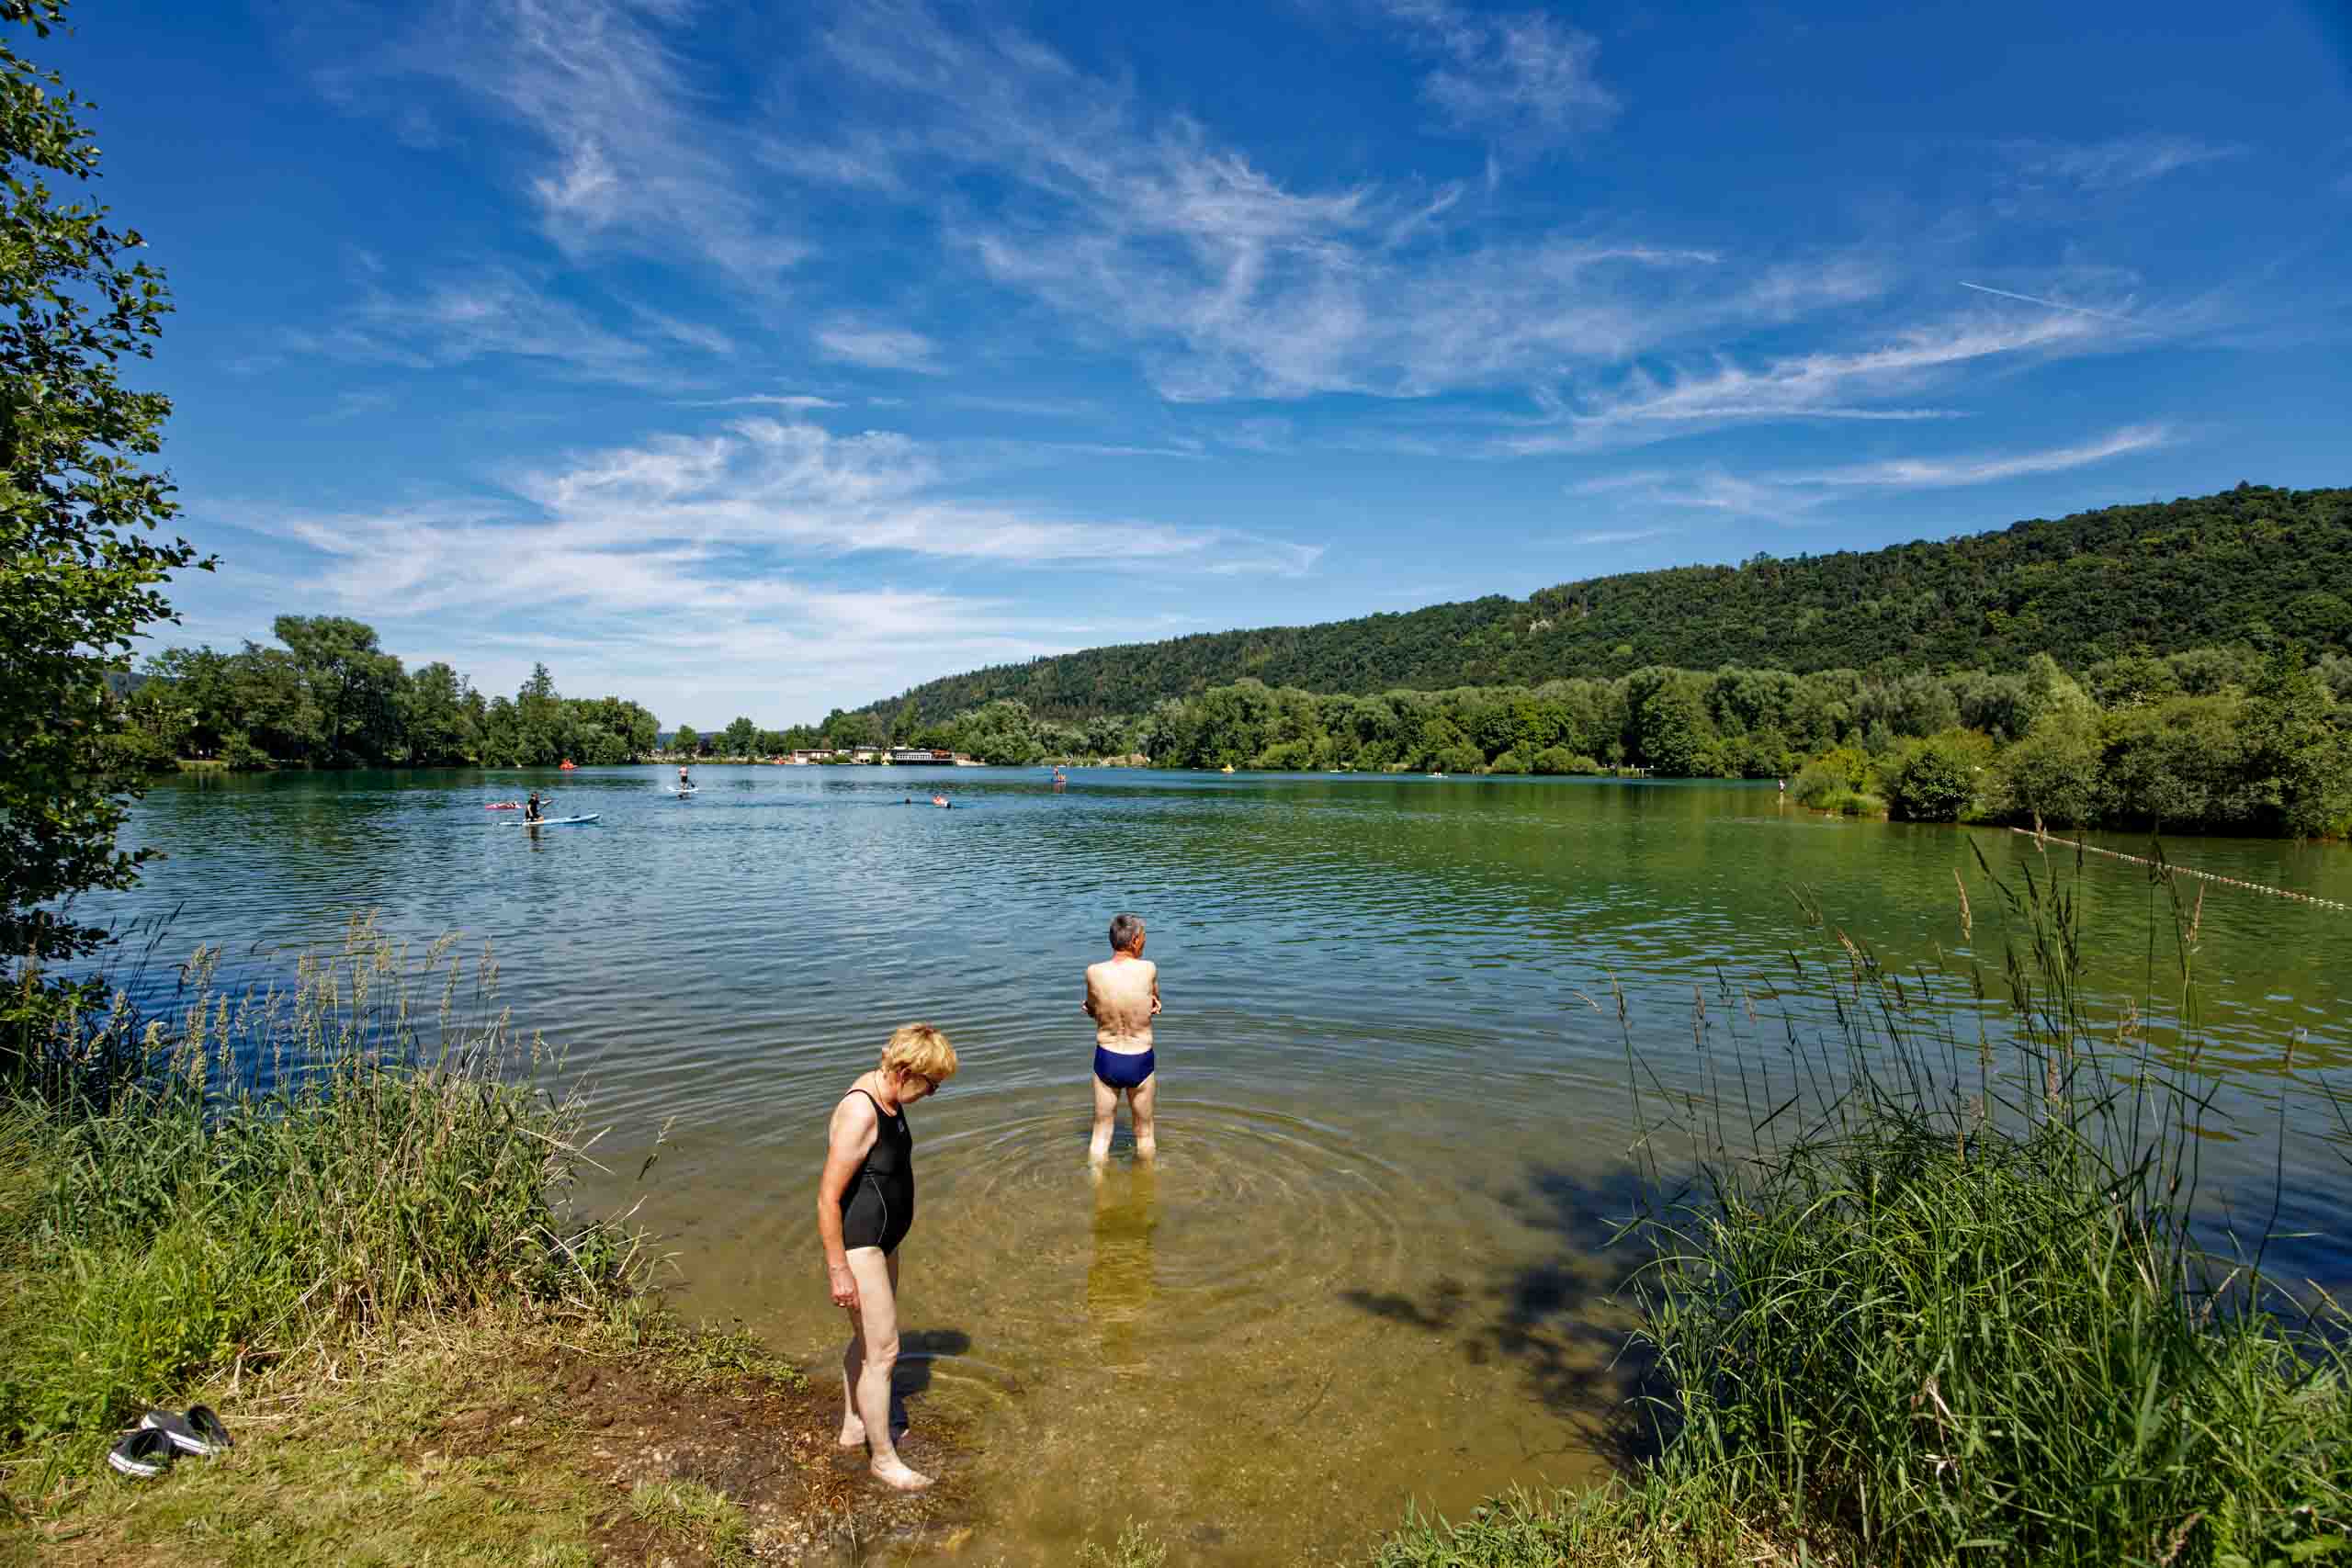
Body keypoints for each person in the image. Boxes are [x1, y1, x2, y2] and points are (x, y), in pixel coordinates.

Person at [817, 1023, 959, 1492]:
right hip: (861, 1245)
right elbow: (827, 1199)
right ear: (902, 1072)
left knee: (866, 1341)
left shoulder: (889, 1097)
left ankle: (855, 1424)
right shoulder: (861, 1112)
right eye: (930, 1084)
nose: (933, 1093)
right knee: (884, 1351)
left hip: (883, 1240)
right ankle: (883, 1459)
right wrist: (839, 1269)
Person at [1083, 912, 1160, 1162]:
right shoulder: (1148, 969)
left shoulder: (1093, 972)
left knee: (1101, 1133)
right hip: (1140, 1058)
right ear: (1136, 940)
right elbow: (1154, 1003)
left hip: (1107, 1058)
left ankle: (1096, 1183)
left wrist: (1093, 1010)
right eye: (1144, 938)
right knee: (1145, 1133)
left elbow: (1093, 1009)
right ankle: (1147, 1188)